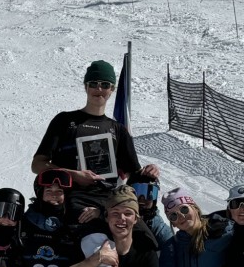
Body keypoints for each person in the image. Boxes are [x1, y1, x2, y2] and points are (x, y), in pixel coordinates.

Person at [31, 60, 159, 218]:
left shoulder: (118, 130)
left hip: (104, 204)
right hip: (65, 202)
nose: (99, 89)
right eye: (93, 84)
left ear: (112, 89)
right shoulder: (64, 121)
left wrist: (150, 170)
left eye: (105, 85)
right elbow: (37, 165)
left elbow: (133, 174)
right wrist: (73, 174)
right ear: (85, 87)